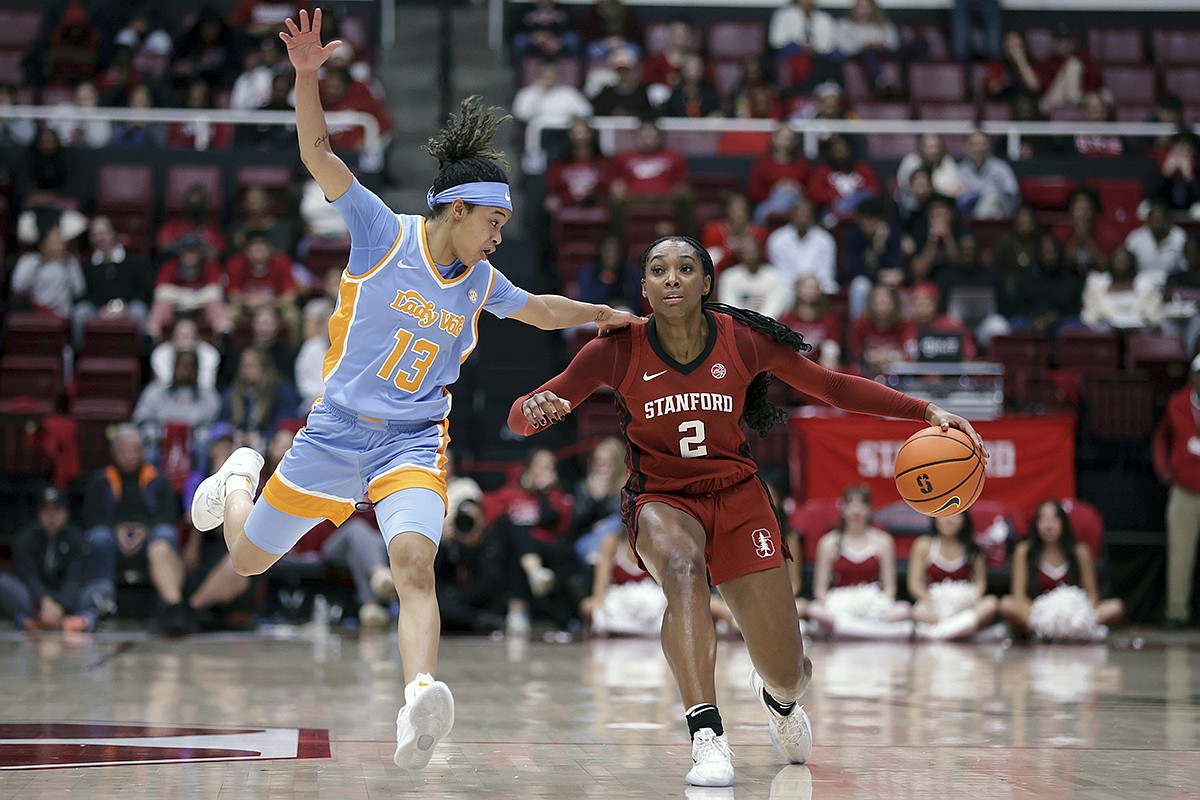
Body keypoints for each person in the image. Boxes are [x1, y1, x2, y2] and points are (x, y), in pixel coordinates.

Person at [188, 8, 643, 774]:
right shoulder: (381, 232)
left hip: (411, 440)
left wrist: (602, 315)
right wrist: (307, 76)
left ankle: (419, 697)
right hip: (334, 432)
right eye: (492, 221)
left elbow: (536, 308)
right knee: (245, 560)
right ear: (455, 211)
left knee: (412, 565)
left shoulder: (482, 280)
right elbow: (317, 150)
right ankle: (239, 476)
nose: (499, 235)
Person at [507, 235, 984, 786]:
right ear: (643, 289)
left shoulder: (744, 340)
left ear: (707, 283)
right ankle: (706, 734)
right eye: (658, 270)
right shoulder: (615, 349)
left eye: (686, 268)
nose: (672, 279)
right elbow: (521, 419)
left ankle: (778, 701)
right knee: (683, 572)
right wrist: (532, 411)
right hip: (661, 498)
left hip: (739, 497)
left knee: (789, 673)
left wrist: (924, 410)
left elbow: (831, 386)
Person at [82, 425, 193, 636]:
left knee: (166, 534)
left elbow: (168, 515)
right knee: (98, 538)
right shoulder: (101, 480)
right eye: (124, 450)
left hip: (148, 541)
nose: (129, 455)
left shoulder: (157, 479)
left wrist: (146, 531)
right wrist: (115, 530)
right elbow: (91, 517)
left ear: (143, 451)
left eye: (134, 450)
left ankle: (169, 604)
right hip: (113, 541)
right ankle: (101, 603)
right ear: (114, 452)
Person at [998, 500, 1124, 640]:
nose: (1048, 525)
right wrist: (1045, 613)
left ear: (1064, 523)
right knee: (1007, 605)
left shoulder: (1080, 551)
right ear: (1036, 524)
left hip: (1074, 615)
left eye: (1054, 519)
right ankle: (1056, 631)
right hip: (1038, 613)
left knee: (1115, 607)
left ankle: (1063, 631)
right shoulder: (1024, 551)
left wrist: (1075, 613)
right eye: (1043, 520)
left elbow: (1092, 594)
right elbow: (1018, 595)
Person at [803, 485, 914, 640]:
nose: (856, 511)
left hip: (873, 607)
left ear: (870, 509)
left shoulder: (884, 541)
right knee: (814, 610)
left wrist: (874, 606)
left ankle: (849, 629)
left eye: (862, 505)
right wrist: (838, 605)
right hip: (838, 605)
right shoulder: (828, 543)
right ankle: (865, 630)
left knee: (904, 610)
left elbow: (889, 589)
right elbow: (820, 591)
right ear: (843, 509)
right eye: (851, 505)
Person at [0, 487, 112, 632]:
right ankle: (47, 621)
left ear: (65, 513)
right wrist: (44, 601)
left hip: (69, 599)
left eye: (56, 511)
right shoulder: (24, 539)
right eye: (46, 512)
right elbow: (28, 576)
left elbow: (75, 578)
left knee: (104, 588)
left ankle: (45, 622)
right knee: (4, 583)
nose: (51, 517)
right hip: (36, 600)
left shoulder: (77, 539)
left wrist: (61, 605)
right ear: (39, 514)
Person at [1152, 353, 1200, 629]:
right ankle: (1176, 610)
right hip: (1184, 489)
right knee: (1181, 551)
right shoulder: (1178, 403)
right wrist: (1162, 465)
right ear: (1194, 376)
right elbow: (1161, 437)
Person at [907, 512, 999, 640]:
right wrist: (934, 600)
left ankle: (939, 633)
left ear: (964, 520)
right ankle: (960, 632)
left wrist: (964, 601)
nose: (949, 520)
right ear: (935, 518)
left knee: (990, 604)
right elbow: (914, 585)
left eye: (955, 516)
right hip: (934, 606)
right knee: (918, 611)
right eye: (944, 515)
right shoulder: (923, 544)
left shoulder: (974, 549)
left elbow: (980, 585)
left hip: (964, 606)